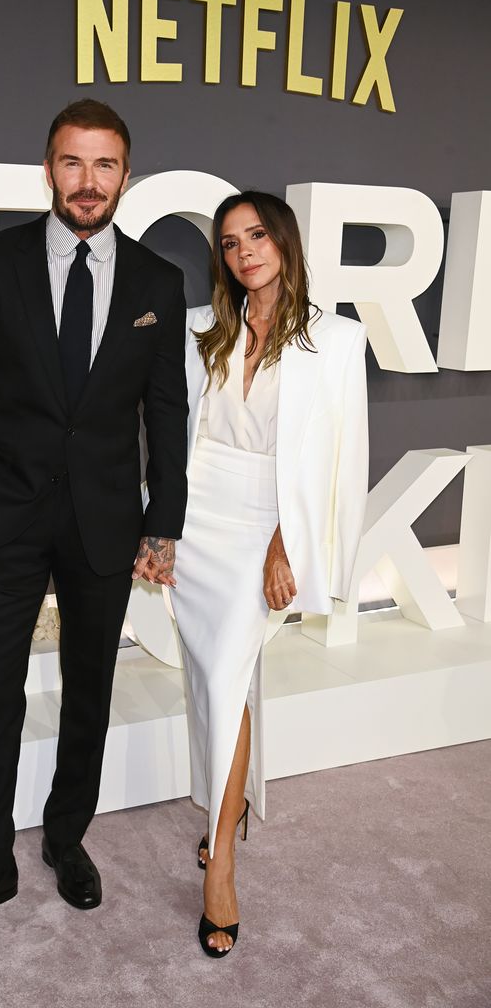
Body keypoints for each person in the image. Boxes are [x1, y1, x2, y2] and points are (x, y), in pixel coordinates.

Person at [0, 99, 188, 941]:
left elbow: (166, 410)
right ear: (48, 169)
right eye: (73, 163)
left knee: (90, 689)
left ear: (125, 177)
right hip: (6, 515)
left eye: (104, 165)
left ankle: (67, 838)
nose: (87, 181)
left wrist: (162, 518)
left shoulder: (157, 282)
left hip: (104, 521)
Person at [170, 191, 368, 958]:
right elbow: (174, 432)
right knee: (210, 677)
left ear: (283, 241)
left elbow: (335, 456)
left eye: (256, 235)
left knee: (224, 678)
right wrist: (158, 527)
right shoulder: (199, 328)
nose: (243, 251)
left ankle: (220, 864)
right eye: (228, 242)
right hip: (195, 519)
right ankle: (231, 807)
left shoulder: (336, 341)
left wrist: (291, 539)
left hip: (262, 525)